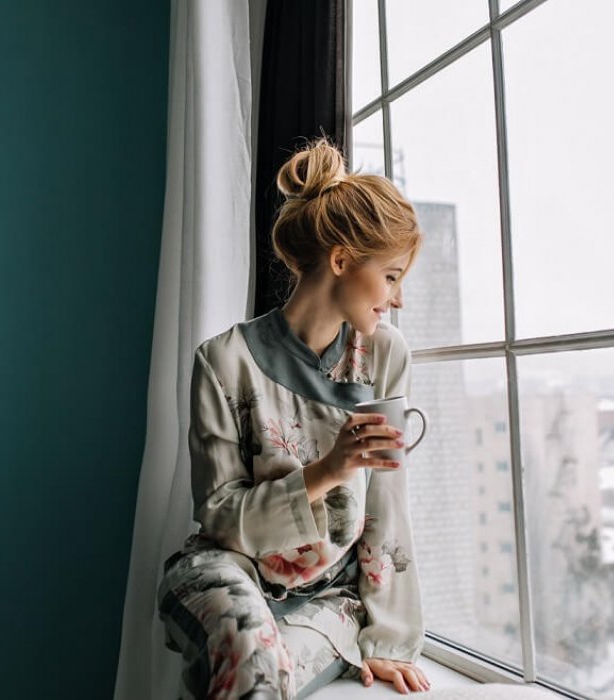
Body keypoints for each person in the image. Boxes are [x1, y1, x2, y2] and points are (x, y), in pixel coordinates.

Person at [158, 138, 430, 699]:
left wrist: (390, 642)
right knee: (250, 650)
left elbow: (387, 504)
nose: (397, 299)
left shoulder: (384, 355)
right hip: (225, 569)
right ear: (340, 261)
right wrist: (329, 469)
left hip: (334, 598)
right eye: (391, 276)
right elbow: (219, 514)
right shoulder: (223, 361)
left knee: (256, 679)